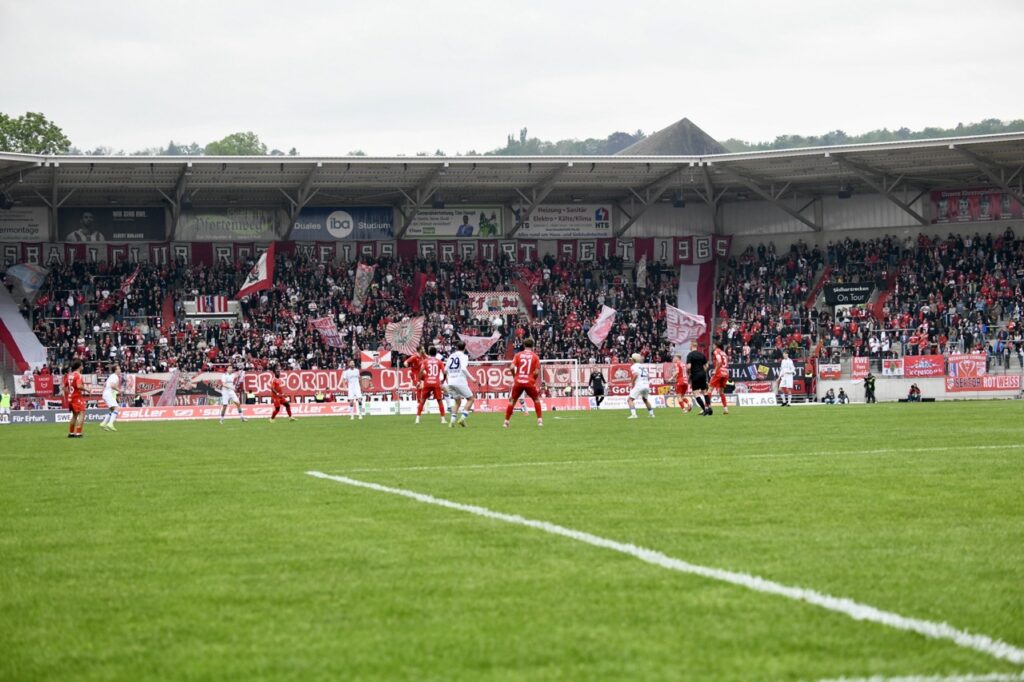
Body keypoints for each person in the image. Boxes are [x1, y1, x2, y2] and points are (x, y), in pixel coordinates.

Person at [504, 337, 543, 428]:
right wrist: (533, 380)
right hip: (529, 381)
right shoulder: (535, 357)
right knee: (536, 400)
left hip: (518, 381)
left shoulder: (518, 355)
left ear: (524, 345)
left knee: (512, 401)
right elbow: (536, 372)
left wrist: (515, 376)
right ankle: (540, 421)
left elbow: (511, 367)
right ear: (532, 346)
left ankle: (506, 422)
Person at [445, 340, 474, 427]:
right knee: (471, 399)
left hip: (451, 382)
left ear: (456, 347)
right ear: (464, 348)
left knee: (457, 401)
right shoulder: (464, 356)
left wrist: (450, 377)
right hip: (460, 381)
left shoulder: (451, 356)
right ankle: (462, 419)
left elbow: (445, 370)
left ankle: (452, 422)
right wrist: (472, 378)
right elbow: (463, 368)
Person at [415, 346, 447, 425]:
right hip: (436, 383)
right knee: (439, 401)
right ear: (436, 353)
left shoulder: (425, 361)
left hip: (427, 382)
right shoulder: (439, 362)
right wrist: (444, 379)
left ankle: (417, 419)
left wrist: (418, 381)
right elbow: (444, 372)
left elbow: (421, 371)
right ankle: (443, 419)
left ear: (429, 353)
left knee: (422, 401)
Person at [627, 352, 655, 419]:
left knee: (630, 399)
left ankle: (634, 415)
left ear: (633, 360)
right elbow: (648, 376)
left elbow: (636, 374)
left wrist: (631, 383)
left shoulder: (633, 366)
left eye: (631, 359)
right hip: (646, 384)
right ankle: (652, 414)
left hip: (639, 384)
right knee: (645, 399)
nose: (630, 361)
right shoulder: (643, 366)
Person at [63, 360, 86, 438]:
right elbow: (79, 386)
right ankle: (78, 433)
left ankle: (71, 433)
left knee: (74, 415)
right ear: (79, 366)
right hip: (77, 397)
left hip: (71, 397)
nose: (83, 366)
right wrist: (87, 389)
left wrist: (69, 393)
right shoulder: (78, 375)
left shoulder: (69, 375)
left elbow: (64, 387)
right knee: (82, 413)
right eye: (82, 365)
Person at [686, 346, 712, 415]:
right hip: (702, 374)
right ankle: (709, 407)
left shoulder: (690, 355)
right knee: (705, 392)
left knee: (696, 393)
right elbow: (707, 366)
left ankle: (704, 409)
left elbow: (689, 366)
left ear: (691, 346)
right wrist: (703, 372)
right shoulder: (702, 354)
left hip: (695, 375)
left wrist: (688, 371)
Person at [709, 342, 730, 415]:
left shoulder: (716, 351)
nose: (713, 346)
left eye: (713, 345)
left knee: (710, 389)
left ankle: (707, 407)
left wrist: (715, 370)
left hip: (719, 372)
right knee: (721, 392)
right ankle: (725, 409)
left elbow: (719, 361)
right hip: (726, 372)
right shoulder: (724, 353)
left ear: (716, 345)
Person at [100, 364, 121, 432]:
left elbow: (104, 384)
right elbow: (112, 385)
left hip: (105, 394)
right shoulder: (115, 376)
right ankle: (110, 424)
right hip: (108, 394)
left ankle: (103, 423)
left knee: (112, 410)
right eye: (119, 369)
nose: (120, 370)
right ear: (115, 370)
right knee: (117, 408)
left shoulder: (111, 376)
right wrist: (119, 390)